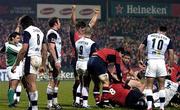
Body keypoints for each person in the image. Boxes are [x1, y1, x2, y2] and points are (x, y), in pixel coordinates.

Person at [11, 15, 47, 110]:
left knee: (31, 84)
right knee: (24, 80)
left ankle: (34, 107)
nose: (21, 27)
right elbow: (44, 49)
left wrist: (16, 64)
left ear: (24, 23)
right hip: (38, 58)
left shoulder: (27, 31)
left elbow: (24, 49)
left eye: (21, 24)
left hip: (30, 58)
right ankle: (32, 105)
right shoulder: (40, 31)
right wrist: (43, 64)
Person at [138, 26, 174, 110]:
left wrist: (140, 59)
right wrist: (170, 66)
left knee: (149, 86)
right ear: (165, 32)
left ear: (157, 30)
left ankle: (149, 106)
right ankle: (161, 107)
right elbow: (171, 54)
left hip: (151, 61)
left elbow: (140, 49)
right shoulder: (167, 39)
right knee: (162, 86)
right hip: (161, 62)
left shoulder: (150, 36)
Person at [70, 5, 100, 105]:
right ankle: (77, 100)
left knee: (82, 81)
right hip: (77, 59)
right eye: (82, 28)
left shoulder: (84, 35)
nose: (84, 30)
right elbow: (73, 23)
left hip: (80, 61)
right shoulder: (75, 34)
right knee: (79, 81)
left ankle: (79, 100)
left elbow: (91, 23)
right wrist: (73, 10)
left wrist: (96, 14)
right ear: (79, 28)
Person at [74, 27, 98, 108]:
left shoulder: (77, 41)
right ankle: (85, 103)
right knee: (86, 84)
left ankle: (77, 101)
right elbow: (93, 55)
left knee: (81, 82)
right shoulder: (92, 43)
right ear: (91, 33)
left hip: (78, 63)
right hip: (86, 63)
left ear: (84, 33)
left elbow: (76, 53)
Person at [0, 31, 22, 107]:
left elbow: (1, 50)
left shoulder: (14, 44)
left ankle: (12, 101)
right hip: (12, 67)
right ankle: (11, 103)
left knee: (14, 85)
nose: (19, 39)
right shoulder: (9, 46)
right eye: (18, 38)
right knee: (13, 85)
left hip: (17, 67)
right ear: (13, 38)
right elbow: (21, 52)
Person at [46, 17, 62, 110]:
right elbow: (51, 47)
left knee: (57, 80)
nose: (60, 23)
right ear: (55, 23)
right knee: (52, 80)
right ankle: (49, 104)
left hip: (56, 59)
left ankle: (55, 103)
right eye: (59, 22)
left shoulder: (54, 33)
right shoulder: (52, 33)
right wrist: (56, 60)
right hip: (53, 59)